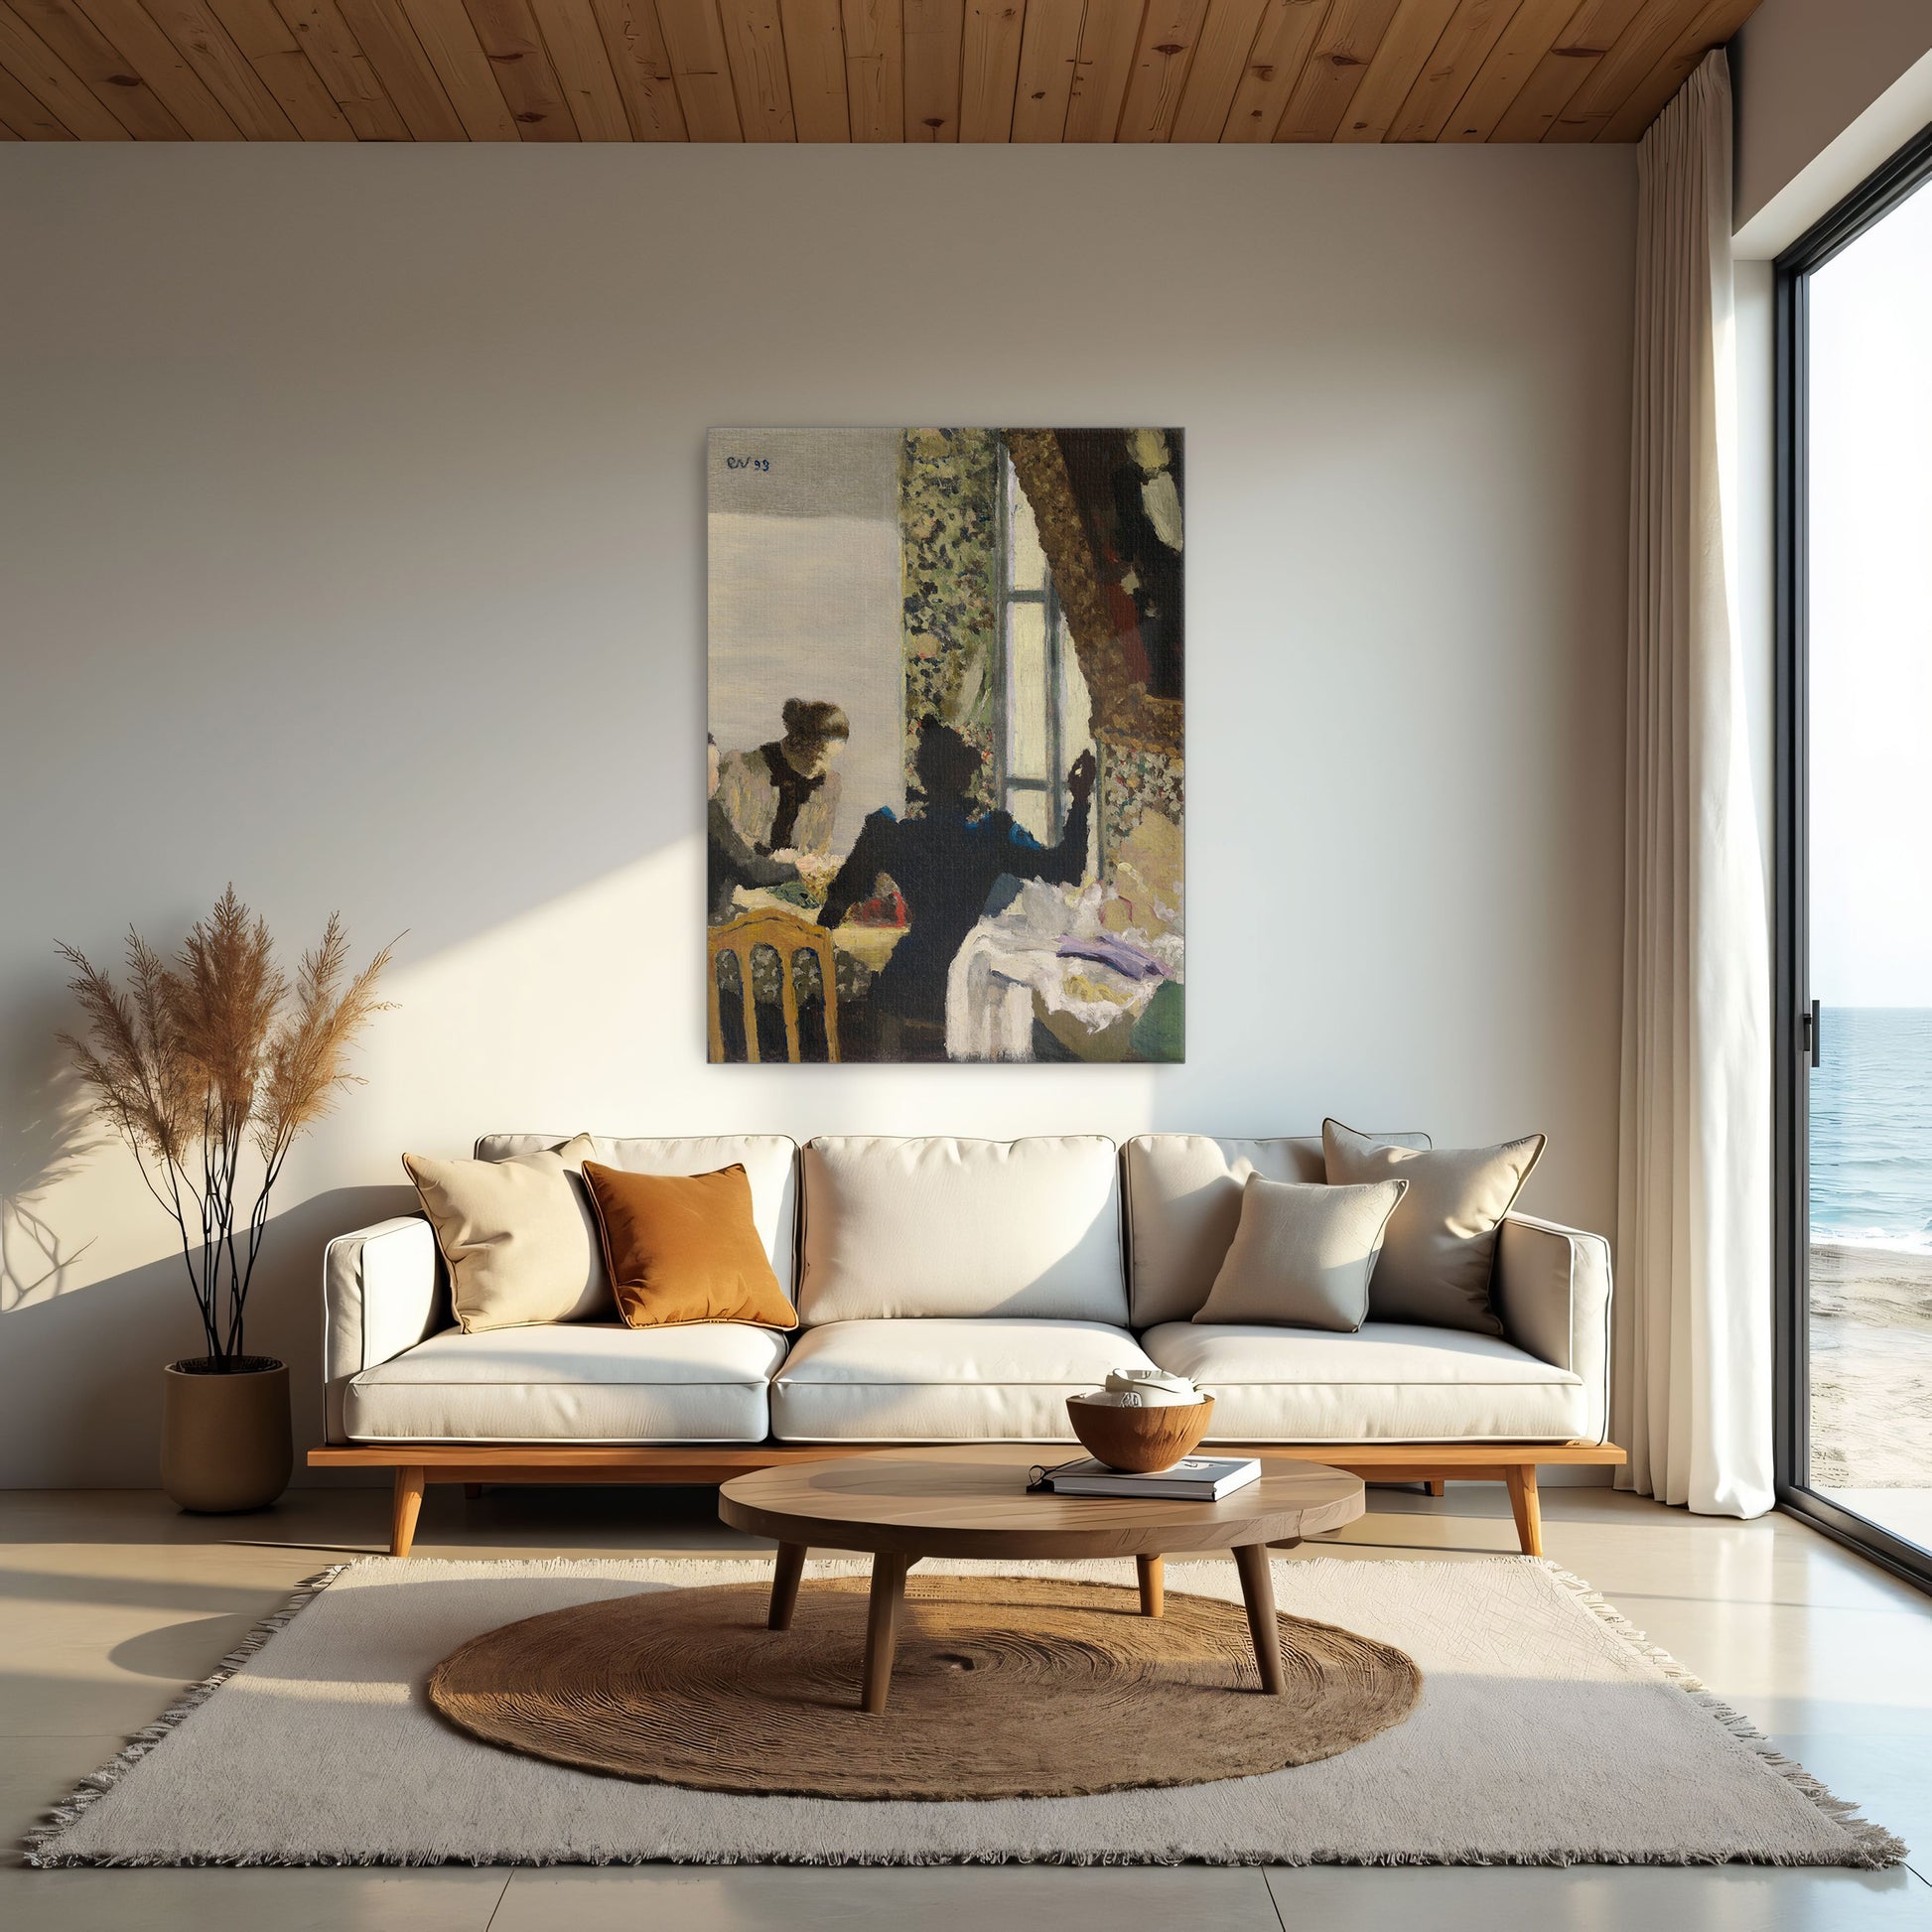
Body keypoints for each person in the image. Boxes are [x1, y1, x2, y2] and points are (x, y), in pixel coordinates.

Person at [818, 717, 1095, 1055]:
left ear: (921, 776)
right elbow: (1068, 868)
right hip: (965, 981)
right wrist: (1080, 800)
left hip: (906, 983)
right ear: (966, 778)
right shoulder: (993, 835)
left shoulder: (887, 833)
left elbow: (835, 904)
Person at [714, 699, 850, 861]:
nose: (825, 767)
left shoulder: (828, 785)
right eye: (821, 756)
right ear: (798, 742)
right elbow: (724, 840)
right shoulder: (740, 770)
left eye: (831, 758)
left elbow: (819, 851)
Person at [706, 734, 798, 925]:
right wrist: (798, 870)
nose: (718, 777)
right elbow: (751, 872)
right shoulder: (710, 812)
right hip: (715, 925)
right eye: (713, 770)